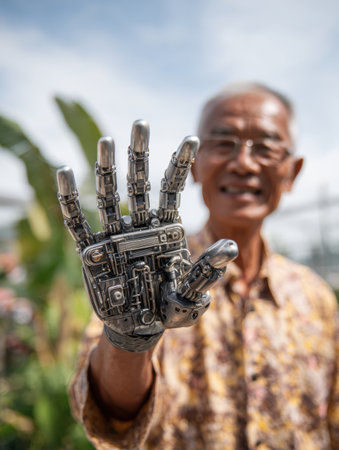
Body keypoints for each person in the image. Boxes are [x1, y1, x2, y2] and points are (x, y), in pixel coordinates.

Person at [68, 83, 339, 449]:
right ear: (194, 166)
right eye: (223, 143)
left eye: (266, 147)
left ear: (292, 171)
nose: (243, 163)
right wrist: (130, 339)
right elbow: (111, 413)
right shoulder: (141, 277)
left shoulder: (316, 297)